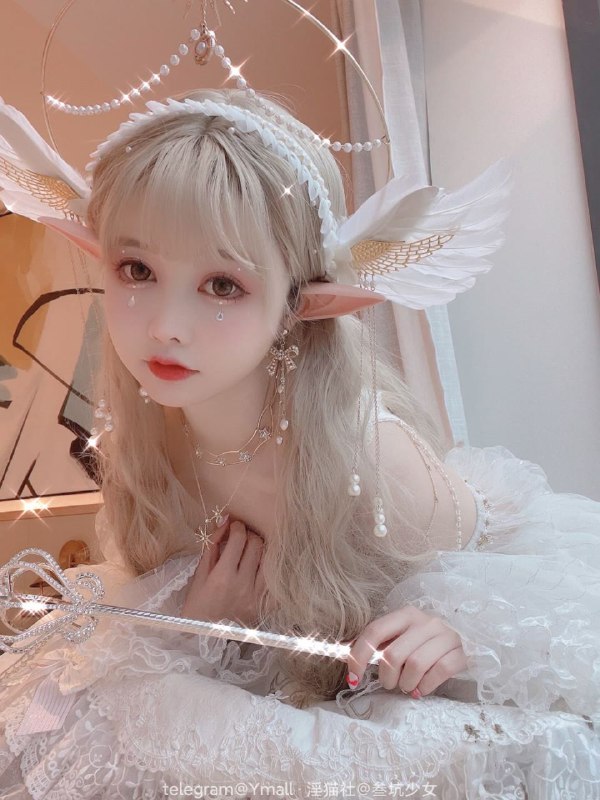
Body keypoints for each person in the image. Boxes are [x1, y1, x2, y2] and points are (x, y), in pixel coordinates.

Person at [0, 87, 599, 799]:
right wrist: (196, 628)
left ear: (300, 303)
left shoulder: (371, 464)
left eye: (222, 285)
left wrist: (466, 634)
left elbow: (554, 589)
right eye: (138, 270)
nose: (165, 325)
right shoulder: (146, 436)